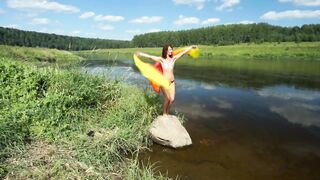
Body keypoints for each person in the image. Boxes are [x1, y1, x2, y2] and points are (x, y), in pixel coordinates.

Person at [136, 44, 197, 116]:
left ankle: (167, 112)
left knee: (172, 99)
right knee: (167, 98)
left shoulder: (173, 59)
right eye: (169, 50)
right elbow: (150, 57)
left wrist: (190, 47)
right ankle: (164, 113)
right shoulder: (161, 60)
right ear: (166, 51)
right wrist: (140, 54)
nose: (171, 51)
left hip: (172, 82)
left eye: (172, 49)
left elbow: (182, 52)